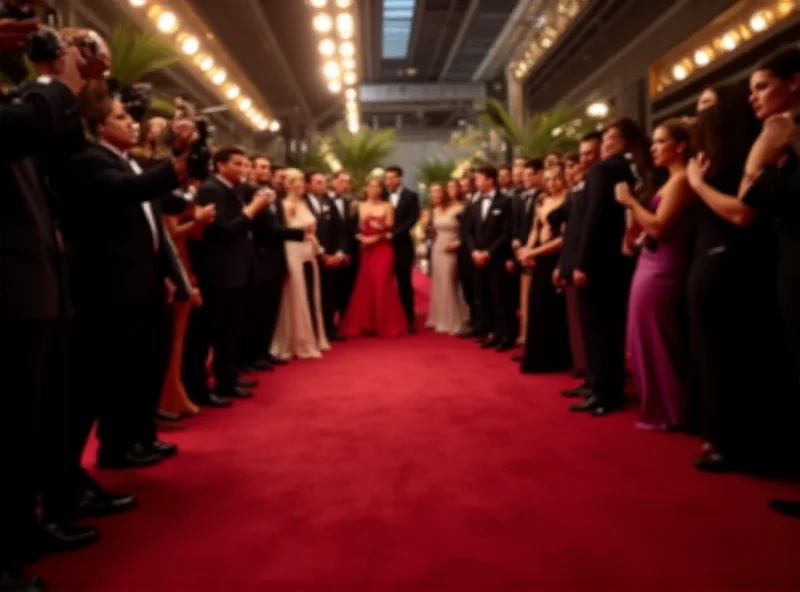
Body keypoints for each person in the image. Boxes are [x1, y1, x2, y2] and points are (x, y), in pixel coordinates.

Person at [64, 88, 196, 469]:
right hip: (112, 287)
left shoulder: (129, 161)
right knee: (117, 372)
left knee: (144, 365)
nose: (132, 123)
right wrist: (177, 162)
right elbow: (129, 192)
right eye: (122, 118)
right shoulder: (91, 160)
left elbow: (163, 202)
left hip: (144, 280)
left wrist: (183, 166)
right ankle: (116, 446)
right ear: (99, 125)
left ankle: (138, 437)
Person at [684, 84, 784, 472]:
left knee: (729, 359)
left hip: (732, 265)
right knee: (714, 357)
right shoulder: (714, 158)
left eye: (707, 106)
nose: (698, 116)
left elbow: (742, 213)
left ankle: (730, 441)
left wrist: (696, 184)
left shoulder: (741, 157)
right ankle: (719, 434)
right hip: (714, 262)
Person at [617, 121, 693, 431]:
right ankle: (658, 406)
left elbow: (660, 226)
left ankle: (669, 410)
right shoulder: (669, 182)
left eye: (661, 141)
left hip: (664, 266)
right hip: (649, 261)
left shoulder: (683, 180)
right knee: (641, 338)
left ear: (681, 146)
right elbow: (649, 227)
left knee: (657, 339)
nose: (654, 147)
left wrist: (631, 202)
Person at [570, 119, 648, 416]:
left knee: (598, 329)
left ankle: (604, 393)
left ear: (626, 141)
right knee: (609, 329)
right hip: (620, 260)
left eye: (612, 137)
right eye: (604, 138)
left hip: (599, 262)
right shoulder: (633, 169)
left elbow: (595, 217)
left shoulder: (604, 169)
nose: (605, 143)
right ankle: (600, 386)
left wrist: (582, 262)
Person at [516, 164, 571, 372]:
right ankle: (539, 356)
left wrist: (535, 252)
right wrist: (527, 250)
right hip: (539, 257)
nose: (552, 183)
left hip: (557, 257)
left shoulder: (569, 199)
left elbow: (564, 239)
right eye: (548, 179)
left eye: (556, 178)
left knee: (554, 308)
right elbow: (535, 229)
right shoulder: (542, 200)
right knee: (537, 305)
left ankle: (558, 358)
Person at [270, 168, 330, 358]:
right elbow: (284, 232)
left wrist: (318, 248)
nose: (303, 185)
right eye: (299, 181)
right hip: (293, 250)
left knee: (310, 292)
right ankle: (296, 339)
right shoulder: (286, 205)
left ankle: (312, 335)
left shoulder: (304, 203)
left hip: (308, 252)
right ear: (290, 183)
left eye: (303, 181)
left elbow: (311, 232)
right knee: (296, 294)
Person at [340, 177, 408, 338]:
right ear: (366, 188)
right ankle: (367, 323)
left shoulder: (388, 206)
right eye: (370, 186)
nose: (373, 189)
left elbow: (390, 226)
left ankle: (385, 324)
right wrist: (361, 238)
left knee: (382, 283)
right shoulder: (359, 206)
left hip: (383, 248)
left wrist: (377, 236)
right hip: (366, 249)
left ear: (381, 189)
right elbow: (351, 229)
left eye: (377, 186)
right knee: (366, 284)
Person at [462, 164, 515, 351]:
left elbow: (506, 232)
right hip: (477, 258)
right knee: (483, 296)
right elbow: (467, 231)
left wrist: (489, 252)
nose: (476, 182)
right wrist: (474, 251)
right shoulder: (473, 203)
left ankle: (506, 335)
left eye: (479, 178)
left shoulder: (505, 202)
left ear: (490, 180)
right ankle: (491, 332)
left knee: (500, 297)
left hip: (497, 258)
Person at [426, 182, 467, 334]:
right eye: (448, 188)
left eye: (453, 188)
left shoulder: (462, 207)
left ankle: (454, 320)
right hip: (437, 247)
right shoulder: (437, 209)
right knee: (439, 281)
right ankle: (439, 317)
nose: (450, 191)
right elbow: (431, 230)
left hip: (452, 247)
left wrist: (458, 243)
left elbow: (467, 229)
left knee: (450, 282)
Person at [384, 165, 421, 333]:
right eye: (387, 178)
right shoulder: (382, 196)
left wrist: (394, 233)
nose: (389, 181)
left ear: (400, 178)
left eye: (392, 177)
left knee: (404, 282)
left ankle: (409, 318)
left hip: (403, 245)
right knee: (384, 282)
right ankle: (386, 318)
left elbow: (412, 218)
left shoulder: (411, 196)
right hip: (382, 246)